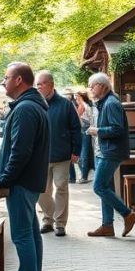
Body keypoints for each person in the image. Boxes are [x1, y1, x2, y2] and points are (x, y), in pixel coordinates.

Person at [0, 62, 50, 271]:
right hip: (30, 180)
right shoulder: (31, 105)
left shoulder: (26, 109)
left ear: (18, 80)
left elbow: (20, 151)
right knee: (30, 232)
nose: (4, 82)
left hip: (22, 181)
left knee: (21, 234)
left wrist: (5, 178)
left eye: (6, 78)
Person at [86, 72, 135, 237]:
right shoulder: (105, 102)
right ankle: (107, 226)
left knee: (99, 187)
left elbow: (117, 129)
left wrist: (97, 131)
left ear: (102, 86)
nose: (90, 89)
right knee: (106, 187)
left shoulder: (110, 103)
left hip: (110, 152)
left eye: (92, 85)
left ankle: (127, 214)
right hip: (106, 151)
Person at [34, 71, 81, 236]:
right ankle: (48, 219)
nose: (38, 87)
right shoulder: (35, 104)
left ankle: (60, 223)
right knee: (41, 190)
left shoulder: (66, 104)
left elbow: (76, 128)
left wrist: (76, 151)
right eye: (37, 84)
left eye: (41, 84)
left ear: (51, 85)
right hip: (40, 156)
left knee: (61, 188)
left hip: (62, 155)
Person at [75, 91, 94, 183]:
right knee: (86, 152)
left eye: (77, 97)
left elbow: (77, 117)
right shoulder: (88, 105)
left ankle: (84, 176)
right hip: (87, 129)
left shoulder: (82, 106)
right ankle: (85, 175)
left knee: (83, 153)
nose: (75, 99)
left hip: (84, 130)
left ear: (80, 97)